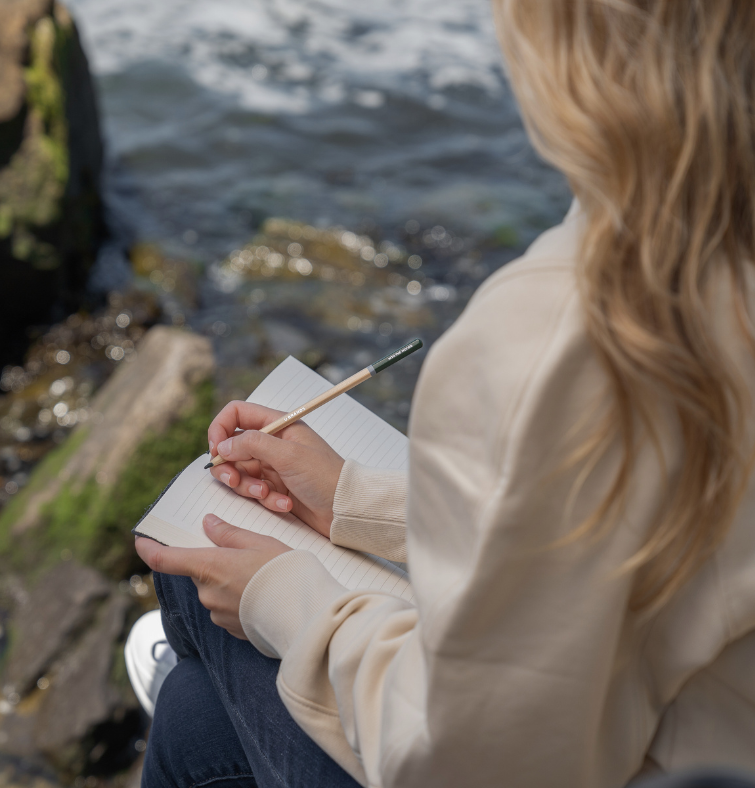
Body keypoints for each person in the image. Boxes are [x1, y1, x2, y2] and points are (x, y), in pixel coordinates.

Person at [132, 1, 755, 786]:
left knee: (195, 605)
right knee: (195, 717)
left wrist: (285, 600)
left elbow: (469, 761)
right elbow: (627, 540)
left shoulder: (572, 328)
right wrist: (358, 503)